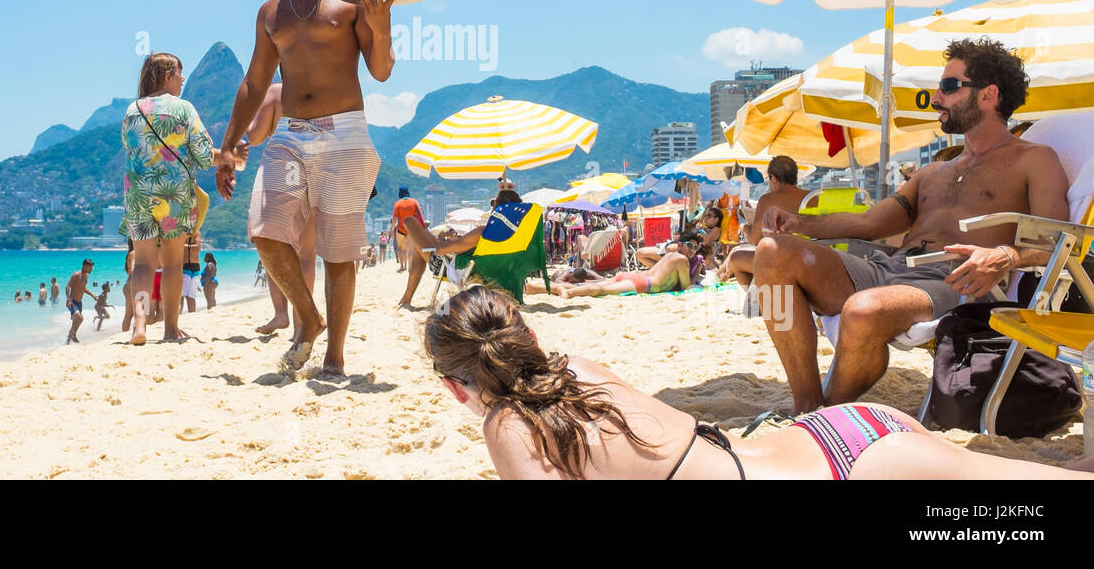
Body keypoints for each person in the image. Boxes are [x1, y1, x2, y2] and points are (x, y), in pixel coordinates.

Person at [425, 286, 1094, 480]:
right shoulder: (581, 370)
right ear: (532, 339)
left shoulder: (506, 427)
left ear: (457, 388)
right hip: (838, 435)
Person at [753, 38, 1070, 413]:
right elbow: (869, 222)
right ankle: (807, 405)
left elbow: (1060, 242)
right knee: (771, 253)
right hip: (890, 267)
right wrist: (800, 222)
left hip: (954, 281)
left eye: (949, 86)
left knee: (862, 311)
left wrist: (1005, 256)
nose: (936, 98)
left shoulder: (1034, 160)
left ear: (989, 96)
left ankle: (828, 412)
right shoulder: (933, 172)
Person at [214, 0, 395, 377]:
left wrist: (380, 23)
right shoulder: (271, 11)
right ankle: (307, 318)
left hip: (345, 132)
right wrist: (230, 145)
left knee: (338, 251)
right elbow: (255, 82)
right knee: (265, 231)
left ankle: (335, 356)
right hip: (291, 134)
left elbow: (381, 69)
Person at [121, 52, 220, 345]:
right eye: (179, 74)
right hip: (173, 193)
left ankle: (139, 326)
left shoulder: (132, 110)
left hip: (137, 193)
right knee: (174, 263)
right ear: (167, 76)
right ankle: (171, 330)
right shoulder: (184, 109)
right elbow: (203, 157)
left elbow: (130, 146)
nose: (182, 79)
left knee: (142, 264)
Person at [242, 81, 319, 339]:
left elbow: (254, 135)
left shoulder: (277, 90)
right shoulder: (326, 89)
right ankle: (302, 323)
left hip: (284, 169)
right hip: (319, 165)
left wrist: (245, 122)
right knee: (307, 254)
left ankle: (281, 313)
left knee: (274, 245)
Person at [396, 188, 525, 307]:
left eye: (494, 205)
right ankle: (406, 299)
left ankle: (406, 299)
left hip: (452, 267)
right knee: (421, 241)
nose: (492, 208)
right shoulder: (516, 237)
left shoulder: (483, 232)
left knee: (409, 221)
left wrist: (442, 239)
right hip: (480, 271)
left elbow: (440, 251)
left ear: (499, 210)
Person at [719, 155, 808, 287]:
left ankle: (759, 299)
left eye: (768, 178)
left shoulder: (768, 199)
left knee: (735, 259)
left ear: (774, 178)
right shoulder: (811, 196)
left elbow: (754, 239)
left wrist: (746, 228)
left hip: (781, 260)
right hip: (808, 257)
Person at [552, 245, 694, 298]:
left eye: (696, 247)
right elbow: (686, 286)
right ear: (681, 245)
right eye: (691, 245)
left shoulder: (667, 256)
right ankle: (568, 292)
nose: (693, 250)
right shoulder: (682, 259)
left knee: (599, 285)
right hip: (643, 283)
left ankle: (544, 288)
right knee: (600, 289)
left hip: (634, 276)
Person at [393, 186, 429, 306]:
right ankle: (409, 267)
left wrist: (392, 230)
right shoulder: (414, 202)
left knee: (400, 248)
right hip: (411, 229)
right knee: (409, 250)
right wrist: (423, 227)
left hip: (401, 229)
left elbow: (395, 218)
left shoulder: (398, 203)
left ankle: (402, 266)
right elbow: (419, 215)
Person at [65, 259, 99, 344]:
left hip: (79, 302)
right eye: (90, 267)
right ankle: (73, 335)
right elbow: (67, 286)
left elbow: (83, 288)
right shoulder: (76, 275)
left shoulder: (86, 276)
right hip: (72, 301)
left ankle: (67, 342)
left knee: (75, 323)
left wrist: (92, 295)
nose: (91, 269)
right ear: (85, 266)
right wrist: (68, 300)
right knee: (80, 318)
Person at [182, 232, 201, 314]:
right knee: (185, 295)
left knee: (190, 295)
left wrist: (182, 245)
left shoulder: (196, 232)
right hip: (185, 266)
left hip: (193, 266)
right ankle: (190, 314)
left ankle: (192, 314)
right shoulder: (181, 231)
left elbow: (197, 247)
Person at [122, 239, 135, 332]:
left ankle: (124, 334)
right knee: (142, 312)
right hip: (134, 285)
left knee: (129, 314)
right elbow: (133, 271)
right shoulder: (134, 253)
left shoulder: (130, 253)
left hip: (129, 284)